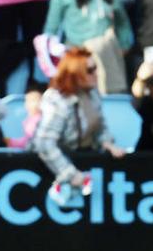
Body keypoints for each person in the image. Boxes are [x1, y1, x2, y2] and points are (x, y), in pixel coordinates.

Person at [31, 46, 127, 204]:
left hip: (81, 162)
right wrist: (70, 174)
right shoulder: (57, 100)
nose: (96, 73)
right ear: (76, 74)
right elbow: (44, 143)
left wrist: (106, 142)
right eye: (90, 70)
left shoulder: (93, 94)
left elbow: (99, 126)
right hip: (48, 170)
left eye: (95, 68)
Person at [44, 0, 134, 94]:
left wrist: (124, 45)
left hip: (108, 55)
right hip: (77, 55)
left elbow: (122, 21)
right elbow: (51, 27)